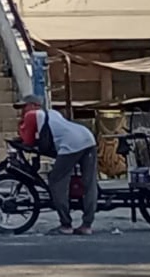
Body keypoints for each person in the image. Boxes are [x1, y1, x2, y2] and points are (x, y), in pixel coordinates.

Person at [16, 94, 98, 236]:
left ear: (34, 105)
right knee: (89, 183)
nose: (22, 111)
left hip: (71, 145)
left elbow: (27, 141)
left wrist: (21, 125)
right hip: (87, 138)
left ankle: (65, 224)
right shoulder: (52, 113)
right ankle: (87, 225)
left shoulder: (32, 115)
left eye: (24, 107)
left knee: (57, 180)